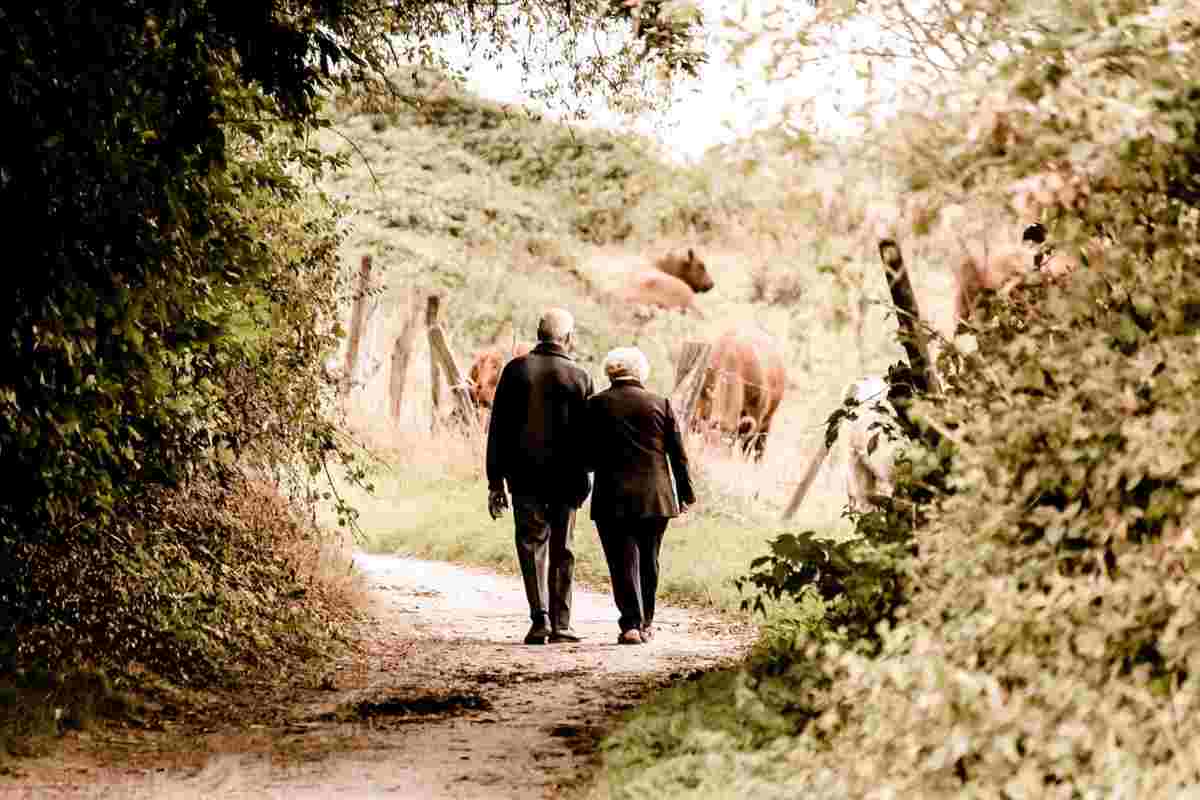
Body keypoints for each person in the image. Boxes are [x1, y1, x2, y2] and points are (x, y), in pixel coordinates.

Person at [486, 308, 594, 645]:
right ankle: (562, 624)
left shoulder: (516, 370)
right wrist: (587, 474)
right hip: (567, 479)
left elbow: (498, 430)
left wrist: (495, 481)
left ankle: (540, 620)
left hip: (524, 477)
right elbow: (589, 437)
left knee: (531, 545)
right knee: (563, 548)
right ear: (568, 338)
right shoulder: (580, 377)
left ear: (538, 332)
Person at [584, 346, 695, 645]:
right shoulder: (661, 404)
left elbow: (586, 455)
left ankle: (630, 625)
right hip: (656, 497)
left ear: (611, 372)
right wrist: (685, 493)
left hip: (612, 496)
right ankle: (646, 622)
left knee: (621, 562)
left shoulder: (595, 405)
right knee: (649, 559)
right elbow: (678, 456)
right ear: (641, 371)